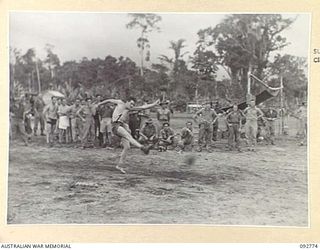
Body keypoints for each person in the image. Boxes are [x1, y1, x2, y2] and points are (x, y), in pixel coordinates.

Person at [96, 97, 160, 173]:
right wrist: (99, 104)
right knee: (128, 136)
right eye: (131, 103)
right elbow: (109, 100)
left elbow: (143, 107)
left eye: (133, 104)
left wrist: (154, 104)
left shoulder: (130, 109)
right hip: (115, 125)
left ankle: (119, 165)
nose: (132, 105)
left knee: (127, 147)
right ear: (127, 102)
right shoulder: (120, 103)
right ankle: (142, 147)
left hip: (122, 126)